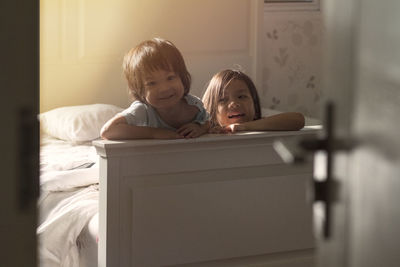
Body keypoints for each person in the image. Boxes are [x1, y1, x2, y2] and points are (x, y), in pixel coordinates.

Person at [101, 38, 209, 140]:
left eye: (170, 78)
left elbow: (214, 122)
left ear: (182, 76)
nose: (164, 88)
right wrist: (154, 133)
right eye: (151, 83)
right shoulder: (143, 110)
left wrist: (201, 128)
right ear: (139, 89)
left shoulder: (194, 105)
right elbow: (108, 131)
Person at [202, 69, 305, 133]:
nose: (233, 104)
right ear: (212, 111)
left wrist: (243, 127)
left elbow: (298, 120)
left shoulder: (261, 124)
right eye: (223, 99)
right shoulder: (208, 130)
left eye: (241, 96)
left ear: (254, 104)